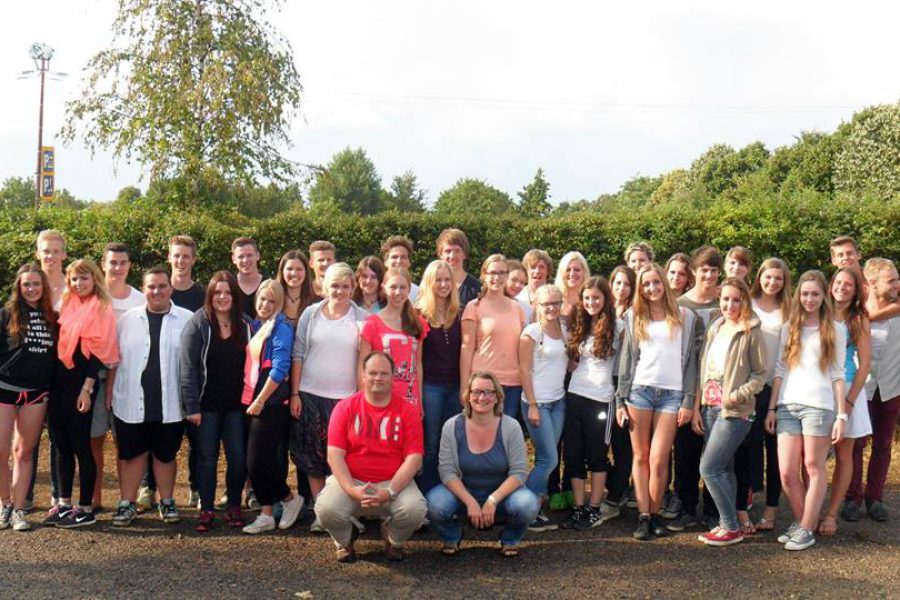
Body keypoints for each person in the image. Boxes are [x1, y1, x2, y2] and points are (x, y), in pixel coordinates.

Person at [616, 264, 702, 541]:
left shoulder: (685, 316)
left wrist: (688, 400)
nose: (652, 288)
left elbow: (692, 364)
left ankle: (655, 514)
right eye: (646, 284)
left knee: (659, 457)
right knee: (640, 457)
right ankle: (644, 517)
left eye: (656, 282)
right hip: (639, 391)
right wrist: (620, 400)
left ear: (664, 283)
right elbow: (627, 360)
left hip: (672, 395)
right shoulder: (634, 316)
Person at [315, 351, 427, 563]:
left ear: (393, 376)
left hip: (392, 483)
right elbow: (334, 455)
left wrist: (390, 491)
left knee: (415, 510)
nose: (378, 378)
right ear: (363, 376)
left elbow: (414, 459)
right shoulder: (345, 408)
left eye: (384, 373)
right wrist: (350, 489)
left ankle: (393, 539)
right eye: (373, 373)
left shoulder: (407, 410)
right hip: (353, 481)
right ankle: (345, 540)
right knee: (325, 509)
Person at [765, 270, 847, 551]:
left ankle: (804, 528)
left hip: (820, 406)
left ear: (824, 296)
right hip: (788, 404)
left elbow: (838, 374)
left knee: (813, 467)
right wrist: (772, 407)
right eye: (805, 293)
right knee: (787, 472)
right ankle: (805, 524)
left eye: (815, 294)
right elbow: (779, 368)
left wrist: (841, 415)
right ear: (798, 295)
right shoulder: (790, 326)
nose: (809, 299)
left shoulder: (835, 328)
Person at [109, 267, 192, 526]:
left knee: (166, 455)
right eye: (151, 287)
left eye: (162, 286)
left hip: (170, 403)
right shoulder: (126, 320)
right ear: (143, 289)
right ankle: (127, 504)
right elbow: (114, 360)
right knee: (132, 455)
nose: (157, 291)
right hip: (130, 400)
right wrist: (108, 395)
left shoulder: (187, 319)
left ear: (171, 288)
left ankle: (167, 502)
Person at [426, 372, 540, 557]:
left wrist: (493, 500)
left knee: (528, 504)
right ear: (468, 396)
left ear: (497, 397)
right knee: (435, 503)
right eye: (477, 391)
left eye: (489, 392)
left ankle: (510, 539)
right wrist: (470, 501)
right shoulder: (452, 426)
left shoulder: (510, 426)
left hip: (502, 495)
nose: (482, 397)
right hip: (463, 494)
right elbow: (447, 471)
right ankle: (451, 536)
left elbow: (519, 472)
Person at [692, 278, 766, 546]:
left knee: (708, 467)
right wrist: (698, 405)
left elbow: (760, 374)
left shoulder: (751, 330)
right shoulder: (717, 326)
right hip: (709, 408)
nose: (730, 305)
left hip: (735, 411)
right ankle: (730, 525)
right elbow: (704, 366)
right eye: (725, 299)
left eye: (736, 299)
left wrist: (735, 396)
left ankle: (729, 525)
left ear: (744, 300)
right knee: (724, 467)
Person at [45, 259, 119, 528]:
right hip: (59, 381)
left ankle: (86, 508)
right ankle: (64, 504)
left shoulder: (101, 307)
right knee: (61, 444)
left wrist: (87, 389)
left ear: (95, 279)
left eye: (84, 278)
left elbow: (100, 353)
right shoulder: (66, 304)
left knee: (81, 445)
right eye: (74, 279)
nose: (79, 284)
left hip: (83, 381)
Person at [290, 263, 368, 516]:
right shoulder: (311, 314)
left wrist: (360, 396)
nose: (340, 291)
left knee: (342, 456)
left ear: (352, 288)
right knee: (313, 456)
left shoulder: (361, 318)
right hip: (311, 394)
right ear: (325, 287)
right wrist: (295, 393)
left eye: (346, 286)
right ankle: (320, 508)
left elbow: (364, 361)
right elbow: (298, 354)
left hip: (346, 398)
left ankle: (340, 509)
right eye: (335, 286)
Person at [179, 271, 251, 532]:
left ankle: (234, 505)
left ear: (235, 295)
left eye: (228, 292)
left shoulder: (245, 324)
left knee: (238, 458)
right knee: (206, 458)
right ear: (210, 295)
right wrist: (192, 406)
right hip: (206, 406)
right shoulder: (198, 323)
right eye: (217, 292)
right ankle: (207, 508)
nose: (222, 297)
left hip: (236, 407)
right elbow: (187, 367)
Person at [241, 280, 304, 534]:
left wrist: (260, 400)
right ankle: (269, 511)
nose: (265, 305)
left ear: (278, 303)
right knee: (259, 460)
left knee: (257, 461)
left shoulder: (281, 328)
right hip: (253, 400)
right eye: (262, 299)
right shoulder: (256, 325)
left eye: (271, 300)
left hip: (272, 402)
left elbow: (280, 369)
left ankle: (287, 499)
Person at [562, 276, 626, 530]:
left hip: (602, 399)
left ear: (606, 299)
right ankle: (579, 507)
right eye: (587, 298)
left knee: (597, 455)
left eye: (596, 298)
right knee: (574, 455)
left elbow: (627, 363)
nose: (591, 302)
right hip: (575, 394)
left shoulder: (619, 327)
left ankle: (594, 507)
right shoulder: (578, 324)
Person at [668, 245, 722, 533]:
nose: (709, 275)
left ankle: (713, 509)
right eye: (704, 269)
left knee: (714, 453)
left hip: (717, 389)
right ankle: (687, 507)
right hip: (686, 385)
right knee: (686, 452)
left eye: (714, 270)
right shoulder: (680, 304)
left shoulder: (723, 302)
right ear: (694, 271)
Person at [0, 264, 57, 531]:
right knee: (1, 452)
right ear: (19, 288)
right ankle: (5, 504)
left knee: (23, 452)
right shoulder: (6, 315)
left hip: (36, 394)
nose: (32, 289)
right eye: (27, 285)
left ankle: (19, 510)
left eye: (36, 284)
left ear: (43, 287)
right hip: (5, 390)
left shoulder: (52, 318)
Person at [845, 258, 900, 523]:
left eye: (897, 279)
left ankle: (874, 498)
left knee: (883, 445)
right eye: (891, 280)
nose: (897, 284)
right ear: (872, 283)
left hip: (891, 387)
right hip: (862, 388)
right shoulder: (856, 314)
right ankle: (852, 498)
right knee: (855, 444)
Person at [819, 267, 871, 535]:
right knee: (812, 455)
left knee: (844, 454)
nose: (842, 287)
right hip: (818, 388)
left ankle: (831, 513)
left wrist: (850, 402)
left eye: (848, 284)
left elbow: (864, 365)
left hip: (848, 390)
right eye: (838, 282)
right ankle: (812, 510)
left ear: (856, 289)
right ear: (831, 284)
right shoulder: (818, 311)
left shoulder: (858, 318)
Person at [95, 243, 146, 511]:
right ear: (103, 264)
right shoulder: (92, 294)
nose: (117, 267)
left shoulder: (140, 299)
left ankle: (127, 499)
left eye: (122, 262)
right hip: (91, 376)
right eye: (112, 262)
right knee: (93, 440)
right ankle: (93, 499)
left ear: (129, 266)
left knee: (124, 442)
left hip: (126, 378)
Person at [743, 258, 792, 532]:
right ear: (759, 276)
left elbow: (785, 357)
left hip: (776, 389)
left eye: (778, 278)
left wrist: (775, 398)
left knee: (774, 452)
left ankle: (771, 510)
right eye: (768, 277)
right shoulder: (746, 304)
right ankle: (747, 497)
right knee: (747, 447)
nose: (772, 282)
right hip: (749, 387)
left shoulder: (788, 311)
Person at [519, 284, 568, 532]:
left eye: (556, 303)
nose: (551, 307)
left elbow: (567, 363)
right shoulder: (531, 333)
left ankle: (533, 507)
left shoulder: (564, 330)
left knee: (545, 458)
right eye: (546, 303)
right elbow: (524, 371)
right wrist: (534, 405)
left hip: (559, 402)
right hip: (537, 403)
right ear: (536, 305)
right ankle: (524, 507)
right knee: (549, 459)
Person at [26, 230, 67, 512]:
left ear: (64, 254)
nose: (50, 256)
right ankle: (23, 495)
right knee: (26, 439)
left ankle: (57, 494)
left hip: (64, 371)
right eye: (45, 250)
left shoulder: (73, 287)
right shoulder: (28, 286)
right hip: (30, 372)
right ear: (37, 253)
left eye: (55, 250)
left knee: (58, 435)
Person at [416, 260, 463, 494]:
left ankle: (450, 494)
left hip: (455, 387)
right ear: (429, 283)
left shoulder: (460, 313)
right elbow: (417, 360)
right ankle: (428, 495)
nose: (443, 284)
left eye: (448, 280)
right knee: (432, 443)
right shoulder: (419, 314)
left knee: (452, 443)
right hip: (431, 388)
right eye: (439, 280)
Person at [460, 255, 526, 419]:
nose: (497, 277)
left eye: (502, 273)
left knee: (504, 436)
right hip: (484, 383)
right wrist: (464, 386)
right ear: (484, 275)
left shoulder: (518, 308)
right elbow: (466, 349)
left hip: (513, 384)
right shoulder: (474, 306)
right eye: (492, 273)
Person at [359, 267, 429, 410]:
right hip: (379, 397)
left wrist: (420, 400)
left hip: (410, 399)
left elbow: (417, 364)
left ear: (409, 289)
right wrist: (363, 398)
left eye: (403, 287)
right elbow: (362, 365)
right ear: (384, 288)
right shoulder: (371, 323)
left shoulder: (418, 323)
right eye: (393, 287)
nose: (398, 292)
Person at [436, 228, 481, 305]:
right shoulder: (431, 286)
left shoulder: (476, 288)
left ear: (464, 254)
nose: (452, 256)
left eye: (457, 251)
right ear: (440, 254)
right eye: (448, 251)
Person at [275, 250, 316, 327]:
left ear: (306, 272)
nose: (294, 273)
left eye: (299, 269)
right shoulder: (272, 299)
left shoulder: (316, 302)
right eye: (289, 269)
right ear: (282, 271)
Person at [168, 235, 206, 312]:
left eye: (186, 256)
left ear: (193, 260)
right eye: (176, 256)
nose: (180, 261)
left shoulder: (203, 296)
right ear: (169, 258)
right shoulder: (160, 292)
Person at [232, 237, 264, 319]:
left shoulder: (269, 285)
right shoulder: (229, 286)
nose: (245, 260)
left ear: (257, 256)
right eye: (240, 257)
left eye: (249, 255)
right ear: (234, 259)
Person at [381, 235, 420, 302]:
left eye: (403, 257)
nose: (399, 261)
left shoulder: (418, 293)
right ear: (386, 262)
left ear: (409, 262)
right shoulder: (376, 290)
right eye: (394, 257)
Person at [555, 251, 591, 322]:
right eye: (568, 270)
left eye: (577, 270)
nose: (572, 274)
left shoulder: (590, 300)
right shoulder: (553, 299)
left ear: (584, 272)